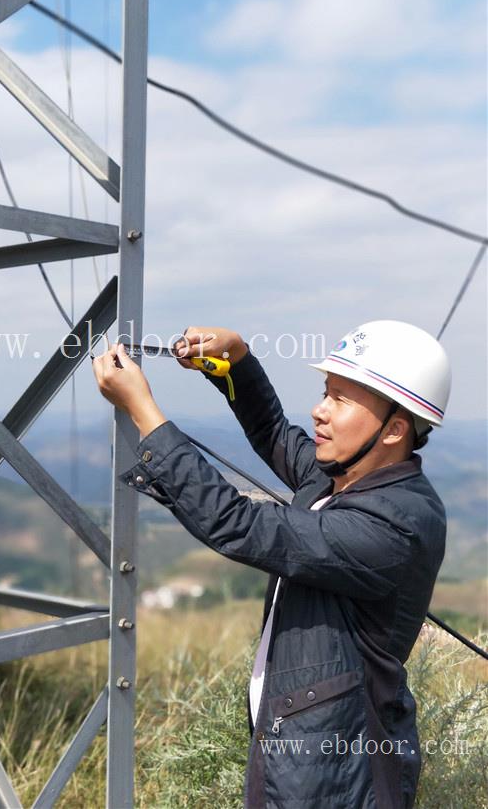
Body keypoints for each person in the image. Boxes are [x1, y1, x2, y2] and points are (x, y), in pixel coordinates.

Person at [92, 320, 451, 809]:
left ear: (393, 430)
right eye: (326, 392)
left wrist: (144, 412)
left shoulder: (397, 525)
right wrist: (236, 361)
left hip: (338, 775)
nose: (319, 411)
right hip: (299, 748)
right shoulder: (339, 476)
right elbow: (272, 432)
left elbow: (237, 524)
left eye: (341, 400)